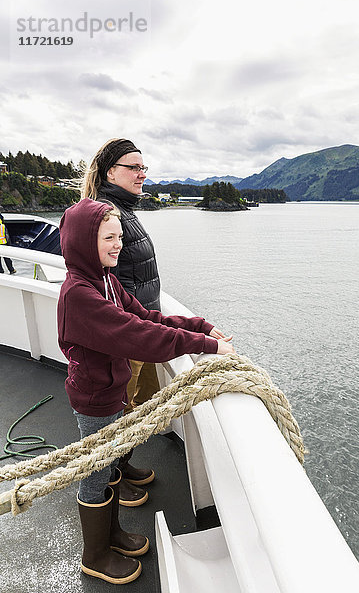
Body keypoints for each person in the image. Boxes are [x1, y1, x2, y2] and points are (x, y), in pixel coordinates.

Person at [57, 197, 234, 584]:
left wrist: (199, 326)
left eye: (120, 236)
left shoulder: (106, 280)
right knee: (96, 470)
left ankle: (112, 533)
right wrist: (204, 346)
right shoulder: (80, 295)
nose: (118, 244)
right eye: (108, 237)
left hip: (112, 389)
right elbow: (137, 335)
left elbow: (146, 317)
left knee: (111, 460)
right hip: (94, 398)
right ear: (84, 242)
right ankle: (95, 553)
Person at [81, 138, 162, 505]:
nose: (142, 173)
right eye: (134, 167)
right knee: (121, 410)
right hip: (126, 337)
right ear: (110, 171)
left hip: (140, 331)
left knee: (138, 406)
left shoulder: (122, 209)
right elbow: (103, 282)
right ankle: (112, 476)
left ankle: (122, 465)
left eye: (144, 167)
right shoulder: (105, 213)